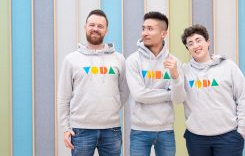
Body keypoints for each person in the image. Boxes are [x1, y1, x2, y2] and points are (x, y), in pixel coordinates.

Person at [57, 9, 129, 156]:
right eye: (92, 25)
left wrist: (110, 107)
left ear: (106, 30)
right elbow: (63, 96)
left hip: (112, 130)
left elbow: (124, 91)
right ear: (85, 27)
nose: (95, 29)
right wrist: (65, 127)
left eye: (100, 26)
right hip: (80, 130)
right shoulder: (71, 59)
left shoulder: (119, 59)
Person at [180, 24, 245, 156]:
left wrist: (241, 131)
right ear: (187, 49)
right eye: (190, 43)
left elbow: (243, 98)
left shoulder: (228, 66)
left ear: (208, 42)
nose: (195, 45)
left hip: (228, 138)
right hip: (196, 139)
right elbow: (176, 96)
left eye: (198, 40)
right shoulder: (184, 71)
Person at [126, 11, 185, 156]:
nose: (145, 33)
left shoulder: (174, 62)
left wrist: (176, 77)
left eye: (150, 29)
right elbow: (139, 95)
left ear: (163, 33)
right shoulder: (133, 60)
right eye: (143, 28)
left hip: (166, 130)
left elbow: (178, 99)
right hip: (139, 130)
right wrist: (168, 94)